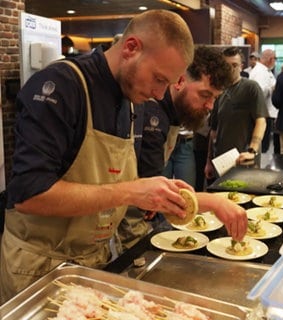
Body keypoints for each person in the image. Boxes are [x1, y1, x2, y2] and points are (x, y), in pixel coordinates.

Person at [0, 9, 197, 303]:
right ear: (131, 48)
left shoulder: (130, 99)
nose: (159, 94)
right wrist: (131, 191)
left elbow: (113, 183)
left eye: (167, 84)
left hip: (93, 264)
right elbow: (29, 195)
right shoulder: (61, 87)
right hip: (39, 269)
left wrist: (159, 194)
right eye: (158, 78)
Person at [118, 46, 247, 250]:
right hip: (124, 222)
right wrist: (215, 203)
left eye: (214, 98)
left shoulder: (173, 114)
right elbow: (154, 194)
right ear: (180, 81)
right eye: (205, 95)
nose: (210, 106)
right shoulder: (153, 115)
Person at [205, 47, 268, 181]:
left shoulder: (251, 87)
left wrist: (252, 151)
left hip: (245, 160)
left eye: (234, 65)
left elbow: (261, 121)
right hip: (222, 162)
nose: (231, 69)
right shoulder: (219, 91)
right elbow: (213, 131)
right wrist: (209, 161)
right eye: (227, 66)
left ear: (241, 66)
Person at [249, 49, 277, 154]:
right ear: (270, 59)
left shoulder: (264, 71)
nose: (275, 61)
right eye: (275, 58)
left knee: (264, 147)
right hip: (262, 114)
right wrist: (272, 88)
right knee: (262, 148)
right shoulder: (261, 72)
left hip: (265, 113)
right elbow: (259, 93)